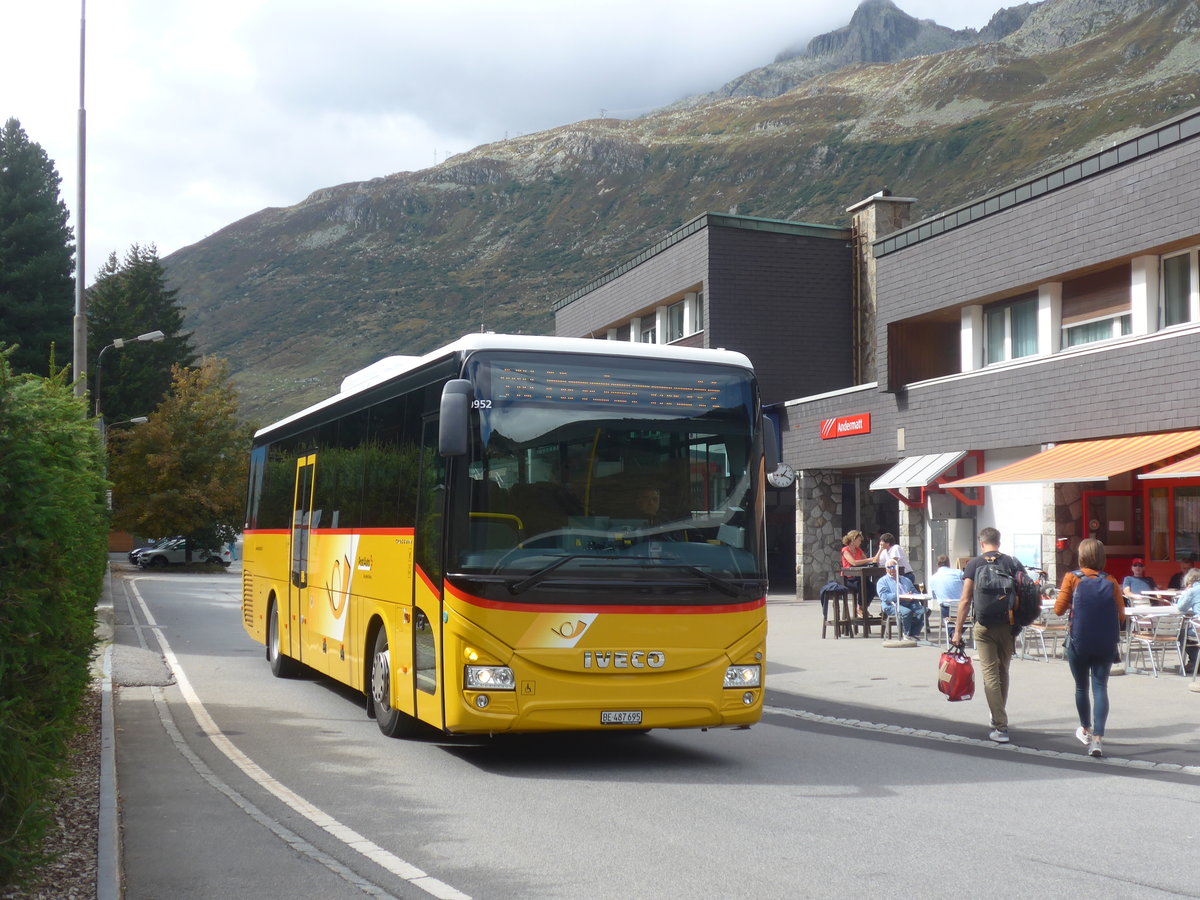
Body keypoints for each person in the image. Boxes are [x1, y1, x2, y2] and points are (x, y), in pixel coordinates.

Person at [1055, 538, 1125, 758]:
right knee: (1100, 688)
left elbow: (1057, 610)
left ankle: (1085, 728)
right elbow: (1121, 616)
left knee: (1081, 688)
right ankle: (1098, 740)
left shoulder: (1072, 578)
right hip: (1105, 643)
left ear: (1081, 556)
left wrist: (1073, 605)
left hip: (1079, 642)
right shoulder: (1112, 581)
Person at [953, 527, 1022, 743]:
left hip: (983, 627)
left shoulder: (975, 564)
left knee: (990, 674)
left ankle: (1000, 726)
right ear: (998, 542)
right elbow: (1024, 592)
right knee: (1003, 672)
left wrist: (957, 631)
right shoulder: (1011, 563)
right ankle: (997, 714)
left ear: (981, 543)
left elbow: (965, 600)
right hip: (1007, 625)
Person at [877, 561, 925, 641]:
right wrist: (900, 596)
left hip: (909, 602)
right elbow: (884, 597)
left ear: (897, 568)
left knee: (924, 611)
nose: (892, 569)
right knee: (906, 612)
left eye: (893, 567)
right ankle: (906, 634)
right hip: (892, 604)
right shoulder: (882, 581)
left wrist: (911, 594)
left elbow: (914, 591)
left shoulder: (906, 579)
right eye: (889, 567)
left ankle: (912, 633)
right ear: (886, 569)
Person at [1172, 568, 1200, 672]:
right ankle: (1195, 663)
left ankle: (1195, 661)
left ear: (1188, 580)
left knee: (1182, 634)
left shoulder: (1193, 591)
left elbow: (1181, 607)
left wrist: (1186, 591)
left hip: (1198, 628)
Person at [928, 554, 964, 624]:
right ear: (949, 563)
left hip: (946, 607)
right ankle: (956, 632)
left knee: (948, 621)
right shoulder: (958, 573)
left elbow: (934, 595)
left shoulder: (932, 578)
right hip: (962, 607)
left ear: (937, 564)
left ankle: (952, 633)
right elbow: (968, 586)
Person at [840, 530, 869, 616]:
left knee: (871, 587)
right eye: (859, 540)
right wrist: (869, 560)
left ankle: (863, 607)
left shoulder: (858, 550)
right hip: (849, 579)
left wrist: (870, 560)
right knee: (862, 586)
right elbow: (854, 562)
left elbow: (865, 560)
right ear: (853, 540)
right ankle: (860, 608)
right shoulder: (845, 550)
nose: (860, 542)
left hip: (859, 577)